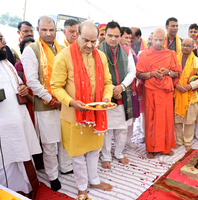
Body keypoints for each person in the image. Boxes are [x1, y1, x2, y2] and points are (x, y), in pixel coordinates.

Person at [51, 20, 113, 200]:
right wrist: (70, 102)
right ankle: (81, 187)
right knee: (77, 155)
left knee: (94, 150)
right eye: (86, 40)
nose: (90, 45)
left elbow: (108, 82)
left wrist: (107, 97)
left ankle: (94, 180)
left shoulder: (100, 56)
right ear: (77, 34)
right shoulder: (63, 56)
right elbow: (55, 87)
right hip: (73, 115)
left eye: (94, 41)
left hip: (96, 113)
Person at [22, 16, 73, 191]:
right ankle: (52, 175)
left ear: (56, 31)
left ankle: (66, 167)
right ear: (38, 30)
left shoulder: (62, 49)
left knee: (65, 138)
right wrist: (52, 100)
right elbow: (32, 82)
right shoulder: (32, 50)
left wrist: (65, 99)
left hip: (64, 102)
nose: (48, 33)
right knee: (50, 143)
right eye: (44, 30)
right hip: (46, 104)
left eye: (51, 30)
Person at [0, 32, 41, 198]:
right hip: (4, 127)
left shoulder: (6, 62)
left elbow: (17, 83)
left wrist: (23, 87)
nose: (4, 42)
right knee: (7, 161)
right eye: (0, 40)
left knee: (22, 152)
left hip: (17, 119)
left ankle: (26, 191)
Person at [136, 28, 181, 159]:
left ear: (165, 40)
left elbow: (177, 73)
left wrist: (168, 72)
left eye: (161, 40)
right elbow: (139, 74)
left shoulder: (171, 54)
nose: (158, 42)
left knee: (166, 120)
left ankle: (166, 148)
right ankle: (151, 148)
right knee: (151, 121)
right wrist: (152, 74)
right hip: (151, 92)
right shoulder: (144, 54)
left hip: (165, 93)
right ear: (151, 39)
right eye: (155, 39)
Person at [98, 21, 136, 169]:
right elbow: (96, 75)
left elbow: (132, 71)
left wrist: (121, 86)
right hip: (105, 95)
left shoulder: (127, 51)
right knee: (106, 129)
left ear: (120, 36)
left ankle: (119, 153)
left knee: (121, 128)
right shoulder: (97, 51)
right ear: (105, 35)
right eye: (110, 35)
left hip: (123, 94)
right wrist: (113, 88)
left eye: (116, 36)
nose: (113, 39)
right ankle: (106, 156)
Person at [174, 37, 198, 151]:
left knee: (189, 121)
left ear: (193, 47)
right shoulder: (174, 59)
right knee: (177, 120)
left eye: (188, 46)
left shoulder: (197, 61)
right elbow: (169, 75)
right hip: (176, 93)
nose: (185, 47)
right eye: (183, 45)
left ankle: (188, 141)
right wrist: (176, 85)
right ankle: (179, 141)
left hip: (191, 95)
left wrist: (190, 86)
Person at [120, 26, 139, 149]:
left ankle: (128, 140)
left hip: (132, 88)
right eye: (126, 37)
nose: (128, 40)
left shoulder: (130, 50)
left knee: (132, 116)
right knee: (122, 117)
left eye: (130, 38)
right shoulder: (117, 52)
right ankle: (119, 143)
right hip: (121, 88)